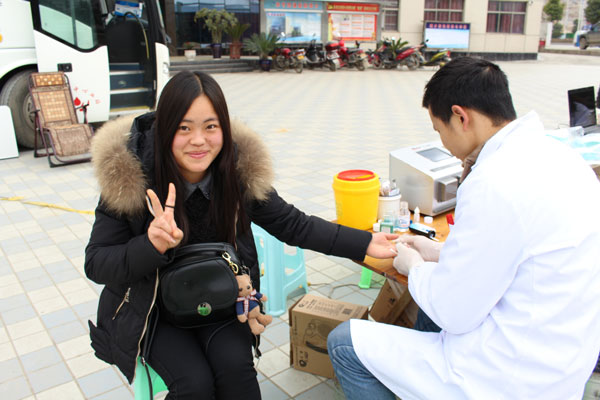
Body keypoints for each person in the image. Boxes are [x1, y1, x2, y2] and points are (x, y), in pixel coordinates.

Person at [84, 70, 397, 400]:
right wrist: (150, 245)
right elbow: (97, 263)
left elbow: (294, 224)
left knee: (237, 373)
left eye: (211, 127)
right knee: (194, 385)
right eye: (184, 128)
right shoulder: (130, 179)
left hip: (221, 296)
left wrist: (364, 242)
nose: (199, 140)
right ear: (164, 129)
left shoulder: (236, 172)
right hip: (153, 310)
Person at [327, 57, 600, 399]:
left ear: (460, 117)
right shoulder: (563, 157)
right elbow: (516, 251)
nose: (443, 143)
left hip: (509, 378)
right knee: (427, 314)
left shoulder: (494, 181)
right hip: (564, 360)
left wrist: (414, 266)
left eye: (439, 131)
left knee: (344, 342)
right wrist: (440, 251)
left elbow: (453, 312)